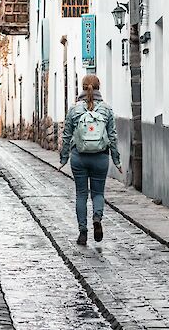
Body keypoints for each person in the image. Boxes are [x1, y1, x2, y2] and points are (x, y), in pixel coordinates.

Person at [59, 74, 122, 246]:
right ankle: (97, 218)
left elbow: (66, 136)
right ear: (98, 87)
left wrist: (64, 158)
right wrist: (116, 160)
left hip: (79, 157)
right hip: (100, 157)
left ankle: (83, 232)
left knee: (81, 194)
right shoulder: (106, 109)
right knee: (98, 193)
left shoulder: (74, 109)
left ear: (82, 87)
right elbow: (113, 136)